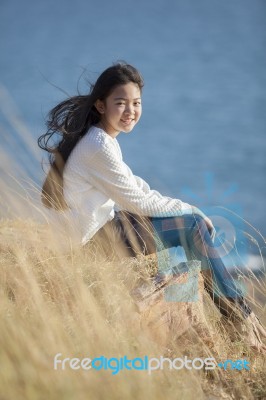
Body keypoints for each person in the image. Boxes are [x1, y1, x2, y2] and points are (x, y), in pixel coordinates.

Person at [38, 62, 266, 353]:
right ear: (100, 105)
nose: (130, 111)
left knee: (182, 228)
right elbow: (137, 201)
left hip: (100, 231)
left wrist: (184, 208)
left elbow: (136, 186)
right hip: (91, 243)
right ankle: (239, 317)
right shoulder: (99, 146)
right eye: (120, 103)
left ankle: (205, 314)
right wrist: (193, 211)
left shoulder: (100, 139)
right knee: (192, 228)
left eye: (136, 103)